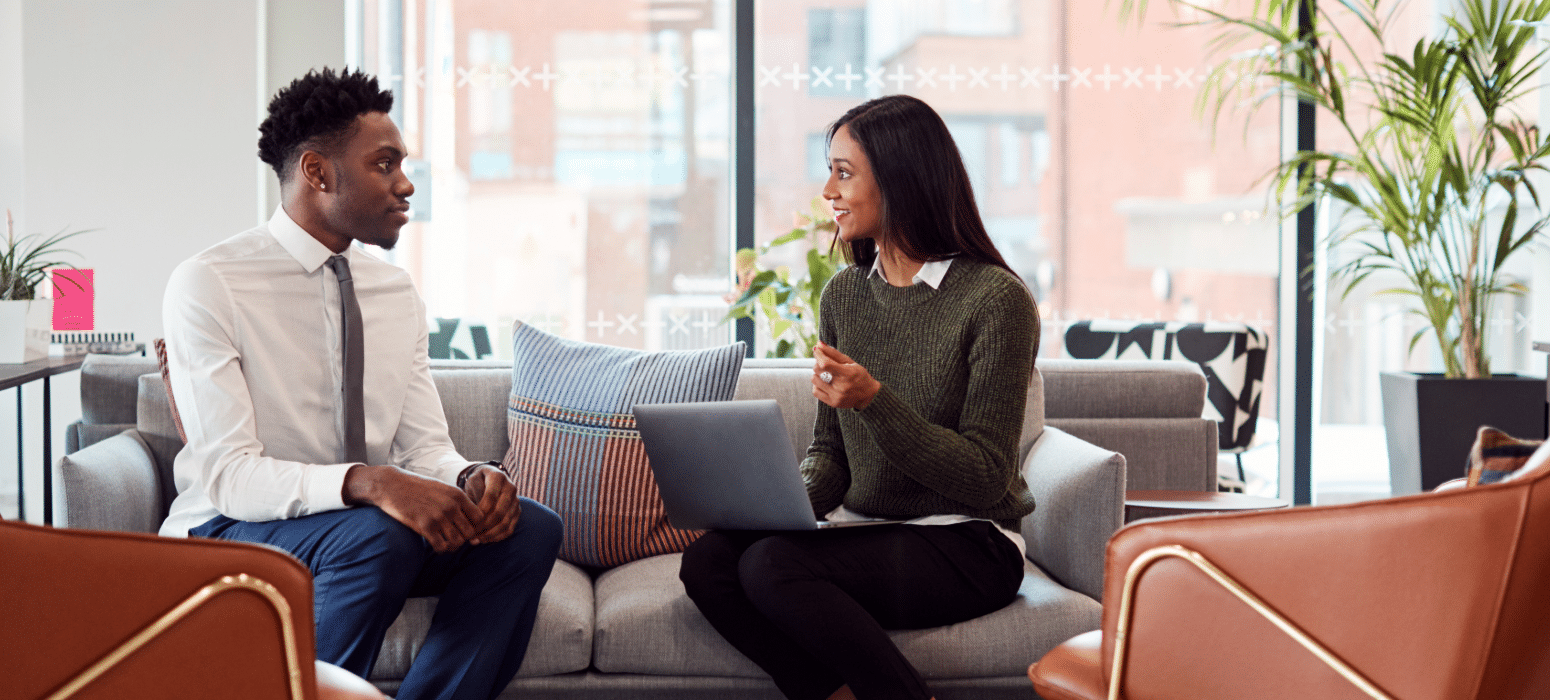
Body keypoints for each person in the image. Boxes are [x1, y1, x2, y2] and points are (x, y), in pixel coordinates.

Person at [160, 68, 562, 700]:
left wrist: (467, 480)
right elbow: (231, 476)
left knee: (530, 529)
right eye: (384, 165)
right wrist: (371, 483)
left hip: (373, 532)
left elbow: (424, 447)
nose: (405, 185)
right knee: (381, 531)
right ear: (318, 172)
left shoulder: (393, 290)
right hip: (232, 526)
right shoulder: (210, 282)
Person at [678, 94, 1040, 700]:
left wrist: (875, 399)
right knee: (711, 561)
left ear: (900, 179)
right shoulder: (844, 296)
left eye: (843, 172)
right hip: (865, 529)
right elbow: (830, 451)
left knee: (772, 566)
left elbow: (984, 476)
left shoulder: (995, 300)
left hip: (967, 542)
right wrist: (779, 503)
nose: (828, 191)